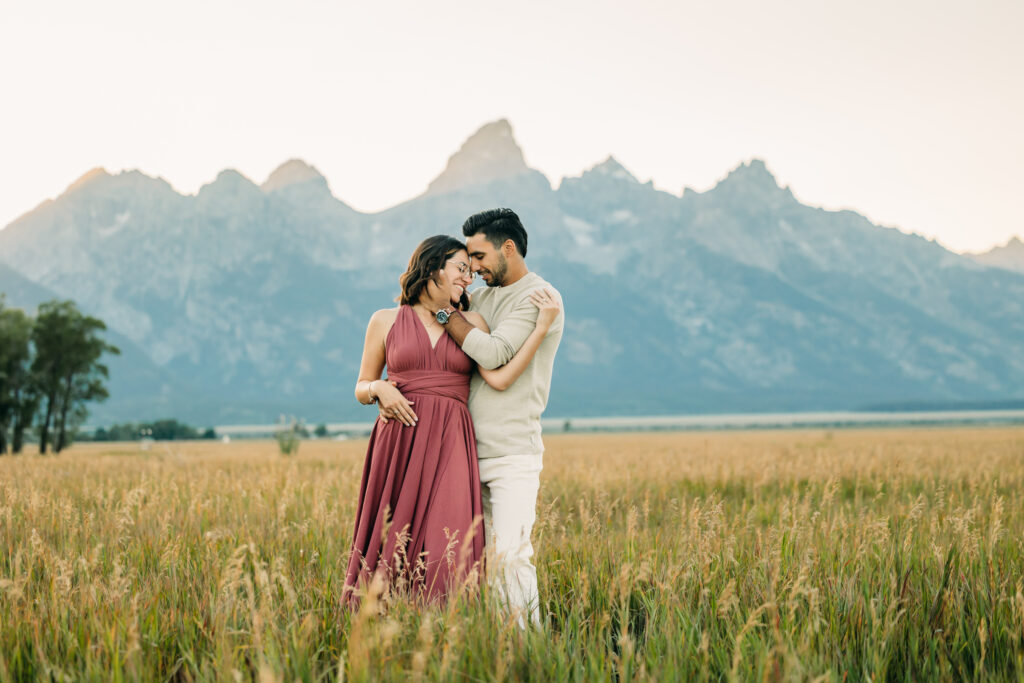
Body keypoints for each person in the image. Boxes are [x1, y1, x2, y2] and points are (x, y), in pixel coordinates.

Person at [344, 234, 559, 606]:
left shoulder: (470, 321)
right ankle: (386, 629)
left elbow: (498, 375)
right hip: (398, 442)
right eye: (461, 268)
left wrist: (542, 329)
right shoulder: (384, 320)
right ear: (432, 269)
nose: (469, 276)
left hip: (452, 443)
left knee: (449, 541)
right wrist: (379, 388)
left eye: (470, 270)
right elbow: (361, 385)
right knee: (391, 539)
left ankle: (447, 628)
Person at [428, 208, 564, 627]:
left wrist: (448, 317)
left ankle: (529, 651)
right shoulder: (482, 295)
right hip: (465, 451)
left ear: (508, 248)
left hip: (512, 453)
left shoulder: (539, 298)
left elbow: (491, 354)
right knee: (479, 561)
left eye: (480, 257)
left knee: (512, 555)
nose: (474, 268)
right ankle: (497, 647)